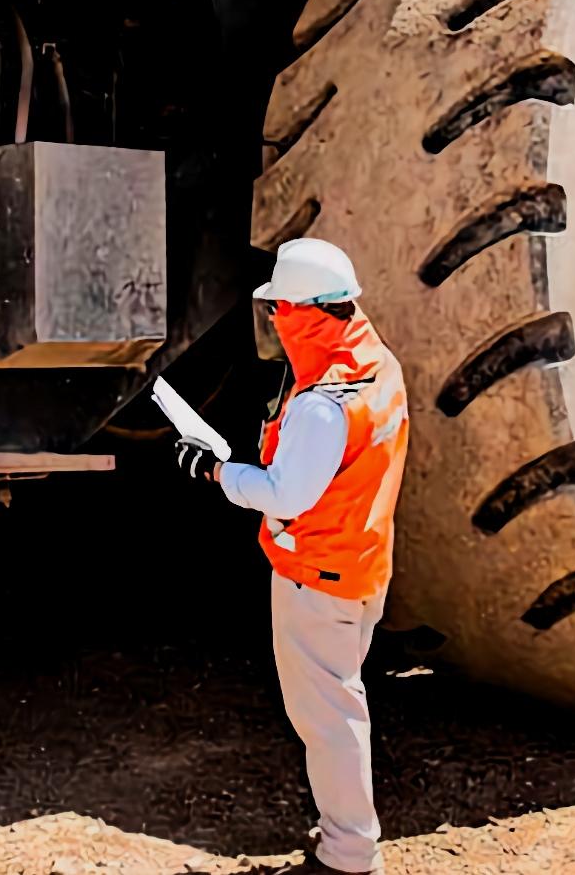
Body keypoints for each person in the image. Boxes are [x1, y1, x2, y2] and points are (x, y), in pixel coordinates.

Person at [174, 238, 409, 875]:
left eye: (279, 309)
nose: (274, 319)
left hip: (318, 579)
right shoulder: (377, 367)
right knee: (340, 704)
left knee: (328, 720)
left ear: (303, 314)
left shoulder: (321, 408)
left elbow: (287, 494)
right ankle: (345, 835)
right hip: (362, 566)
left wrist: (215, 472)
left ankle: (348, 854)